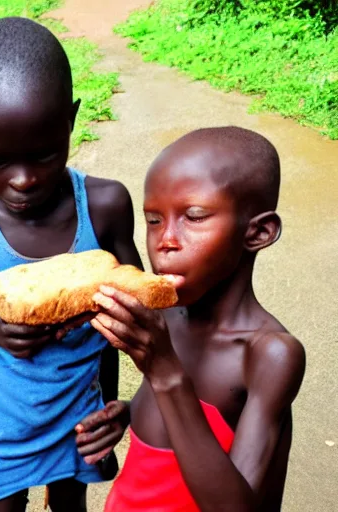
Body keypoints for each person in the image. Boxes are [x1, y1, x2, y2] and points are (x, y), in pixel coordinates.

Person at [0, 16, 142, 512]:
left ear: (70, 120)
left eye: (45, 155)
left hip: (80, 413)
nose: (24, 180)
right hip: (1, 421)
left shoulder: (105, 206)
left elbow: (137, 315)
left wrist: (120, 409)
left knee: (71, 507)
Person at [77, 127, 306, 511]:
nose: (166, 240)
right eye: (153, 220)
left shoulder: (269, 354)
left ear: (259, 232)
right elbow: (179, 421)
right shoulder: (167, 317)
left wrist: (165, 373)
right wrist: (132, 415)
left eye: (194, 217)